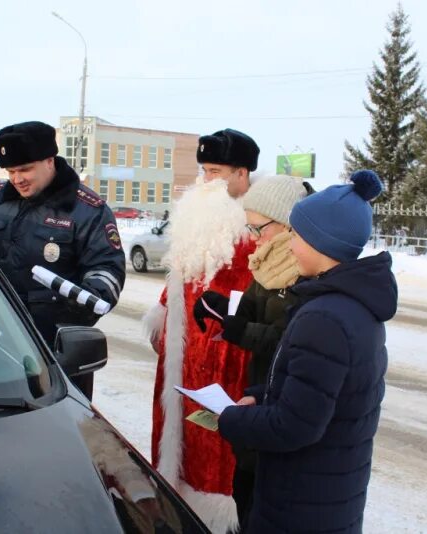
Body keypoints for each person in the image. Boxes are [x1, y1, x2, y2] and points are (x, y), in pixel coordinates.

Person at [217, 170, 398, 533]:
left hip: (300, 503)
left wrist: (229, 420)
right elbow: (318, 392)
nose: (290, 243)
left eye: (296, 234)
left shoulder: (326, 318)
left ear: (321, 242)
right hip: (325, 495)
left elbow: (294, 426)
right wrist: (262, 396)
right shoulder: (350, 305)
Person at [144, 128, 259, 533]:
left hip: (225, 359)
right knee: (178, 444)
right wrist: (162, 312)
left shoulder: (256, 228)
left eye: (216, 171)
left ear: (242, 174)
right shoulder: (200, 221)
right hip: (182, 355)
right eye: (204, 171)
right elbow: (182, 274)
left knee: (215, 458)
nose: (206, 182)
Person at [0, 121, 125, 399]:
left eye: (25, 169)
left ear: (49, 160)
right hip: (3, 340)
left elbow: (108, 270)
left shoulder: (87, 210)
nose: (17, 179)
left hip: (60, 353)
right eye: (11, 171)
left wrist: (80, 302)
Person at [193, 175, 309, 531]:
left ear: (288, 222)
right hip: (259, 391)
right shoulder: (270, 260)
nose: (255, 238)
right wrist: (223, 305)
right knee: (245, 492)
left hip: (283, 402)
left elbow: (288, 340)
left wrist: (239, 329)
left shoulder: (305, 270)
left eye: (260, 228)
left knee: (265, 503)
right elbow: (254, 307)